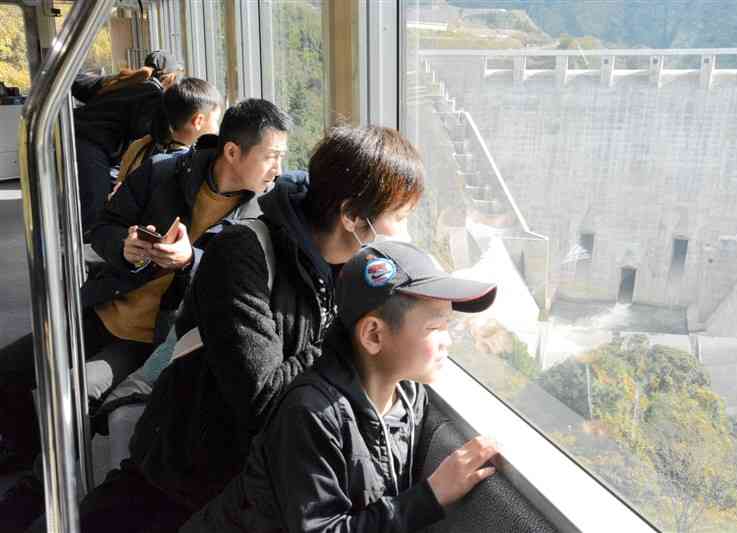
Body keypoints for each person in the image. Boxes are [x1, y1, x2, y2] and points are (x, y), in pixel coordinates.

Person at [45, 125, 426, 533]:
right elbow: (260, 399)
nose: (404, 236)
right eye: (399, 218)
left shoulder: (348, 273)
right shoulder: (243, 255)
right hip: (181, 481)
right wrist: (349, 328)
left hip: (251, 493)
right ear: (352, 216)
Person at [0, 98, 292, 533]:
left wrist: (190, 261)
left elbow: (228, 295)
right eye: (271, 157)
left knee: (71, 398)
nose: (277, 171)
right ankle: (23, 455)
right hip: (103, 305)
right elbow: (102, 227)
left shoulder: (263, 218)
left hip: (151, 338)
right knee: (11, 367)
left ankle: (40, 490)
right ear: (233, 152)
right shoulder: (166, 172)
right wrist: (125, 245)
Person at [183, 240, 500, 533]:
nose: (448, 341)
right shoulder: (311, 413)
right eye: (435, 328)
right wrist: (431, 496)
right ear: (374, 335)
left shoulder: (410, 396)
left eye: (449, 326)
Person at [71, 50, 182, 229]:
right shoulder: (152, 93)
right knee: (95, 208)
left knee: (91, 199)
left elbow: (77, 83)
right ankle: (90, 248)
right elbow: (143, 129)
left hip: (75, 136)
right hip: (92, 144)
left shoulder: (122, 81)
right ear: (170, 76)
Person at [113, 76, 223, 191]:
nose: (217, 128)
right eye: (216, 120)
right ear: (198, 121)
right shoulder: (195, 166)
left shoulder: (139, 147)